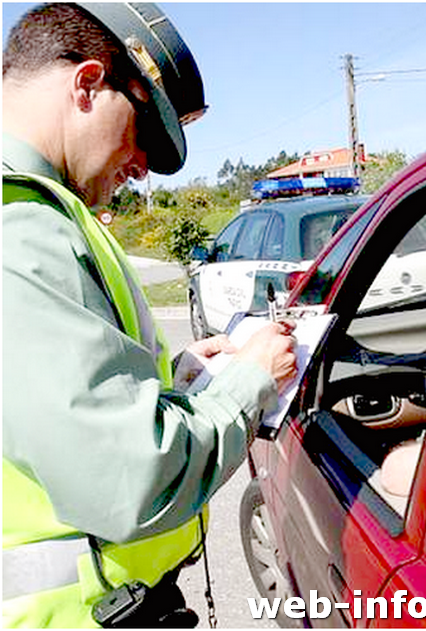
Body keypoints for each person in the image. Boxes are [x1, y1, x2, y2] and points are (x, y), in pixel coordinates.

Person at [2, 3, 297, 628]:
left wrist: (173, 381)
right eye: (144, 134)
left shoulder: (44, 213)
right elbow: (134, 479)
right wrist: (251, 381)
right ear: (87, 85)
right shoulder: (19, 226)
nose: (140, 169)